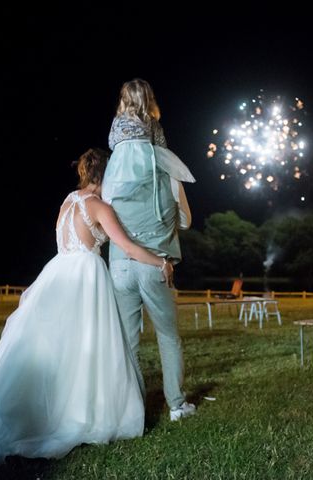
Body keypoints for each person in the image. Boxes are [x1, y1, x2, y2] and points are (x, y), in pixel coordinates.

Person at [0, 148, 174, 463]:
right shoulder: (99, 207)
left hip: (58, 272)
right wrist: (161, 262)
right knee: (84, 346)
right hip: (85, 278)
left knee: (55, 346)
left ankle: (56, 401)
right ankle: (78, 409)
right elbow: (129, 248)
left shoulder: (67, 202)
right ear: (106, 175)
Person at [102, 78, 196, 421]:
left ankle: (132, 408)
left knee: (128, 342)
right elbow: (185, 220)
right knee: (168, 337)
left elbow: (105, 219)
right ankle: (176, 404)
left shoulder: (113, 176)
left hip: (120, 265)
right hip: (157, 264)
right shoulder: (167, 169)